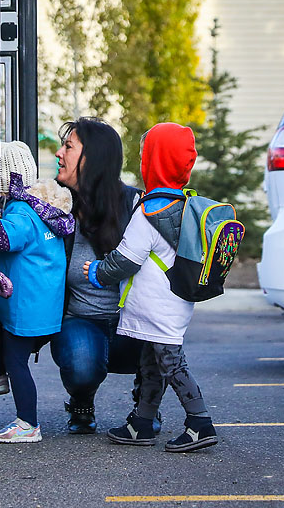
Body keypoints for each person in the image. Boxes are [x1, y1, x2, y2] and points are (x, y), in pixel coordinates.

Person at [83, 122, 218, 453]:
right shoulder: (184, 204)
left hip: (158, 305)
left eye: (146, 154)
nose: (142, 160)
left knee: (171, 362)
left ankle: (199, 422)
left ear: (154, 162)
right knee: (151, 361)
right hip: (176, 298)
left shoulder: (149, 211)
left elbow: (126, 260)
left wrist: (97, 272)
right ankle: (142, 422)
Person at [0, 141, 74, 442]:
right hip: (43, 304)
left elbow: (4, 238)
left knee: (17, 362)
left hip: (28, 309)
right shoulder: (40, 208)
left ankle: (28, 423)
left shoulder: (20, 211)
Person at [47, 117, 150, 435]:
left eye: (68, 147)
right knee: (81, 366)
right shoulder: (56, 206)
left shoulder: (136, 204)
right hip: (81, 319)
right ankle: (81, 400)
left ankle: (145, 407)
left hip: (133, 321)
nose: (58, 154)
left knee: (161, 341)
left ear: (92, 159)